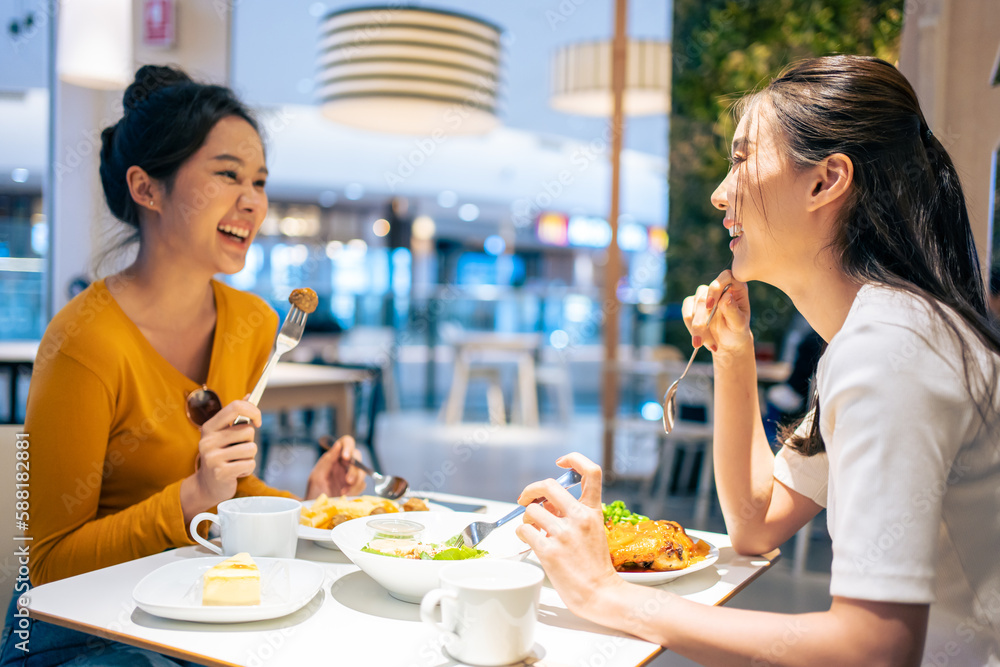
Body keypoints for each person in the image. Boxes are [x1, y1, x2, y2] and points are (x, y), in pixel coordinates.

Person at [516, 55, 1000, 665]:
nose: (721, 194)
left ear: (826, 181)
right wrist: (733, 353)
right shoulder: (883, 332)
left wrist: (606, 594)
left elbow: (874, 649)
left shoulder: (892, 348)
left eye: (741, 158)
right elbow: (755, 520)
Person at [1, 66, 365, 666]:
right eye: (227, 174)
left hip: (193, 615)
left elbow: (232, 491)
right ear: (147, 189)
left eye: (260, 181)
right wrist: (191, 497)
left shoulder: (251, 323)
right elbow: (43, 566)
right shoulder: (83, 342)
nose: (253, 201)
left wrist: (305, 505)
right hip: (79, 640)